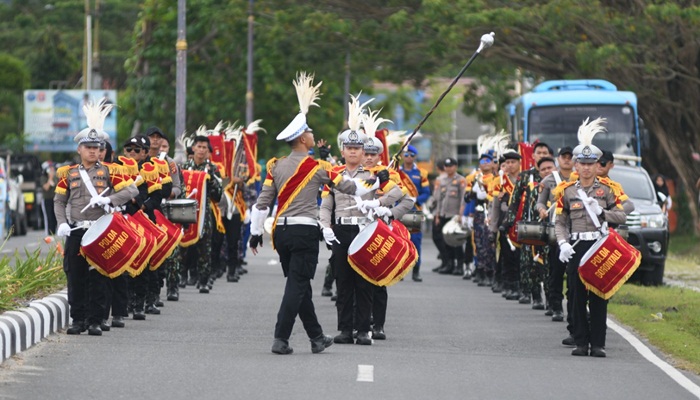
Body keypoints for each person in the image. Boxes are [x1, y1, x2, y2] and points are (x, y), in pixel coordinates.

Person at [249, 73, 390, 355]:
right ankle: (281, 338)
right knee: (297, 286)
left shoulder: (275, 166)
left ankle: (316, 337)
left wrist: (254, 234)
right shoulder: (317, 168)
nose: (313, 135)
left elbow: (262, 203)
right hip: (303, 232)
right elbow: (351, 188)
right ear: (303, 138)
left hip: (281, 233)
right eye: (310, 132)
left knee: (299, 286)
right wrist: (377, 181)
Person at [320, 98, 404, 346]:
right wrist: (324, 226)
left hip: (366, 229)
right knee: (343, 282)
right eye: (350, 148)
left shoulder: (375, 174)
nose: (355, 152)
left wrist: (378, 203)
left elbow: (399, 194)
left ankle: (364, 330)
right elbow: (327, 204)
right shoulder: (334, 175)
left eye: (358, 148)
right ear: (343, 150)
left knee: (365, 281)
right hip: (341, 229)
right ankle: (345, 330)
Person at [54, 100, 138, 336]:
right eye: (88, 146)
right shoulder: (68, 173)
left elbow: (132, 191)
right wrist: (61, 222)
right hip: (77, 229)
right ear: (79, 149)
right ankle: (78, 319)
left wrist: (109, 200)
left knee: (99, 276)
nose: (93, 150)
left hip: (100, 228)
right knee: (75, 275)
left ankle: (95, 320)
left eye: (96, 146)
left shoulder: (110, 171)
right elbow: (59, 200)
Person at [554, 118, 627, 358]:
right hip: (576, 246)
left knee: (598, 295)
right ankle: (580, 342)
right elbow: (560, 221)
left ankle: (598, 343)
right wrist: (562, 243)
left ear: (598, 165)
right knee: (576, 295)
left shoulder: (607, 190)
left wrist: (602, 212)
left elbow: (621, 216)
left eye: (591, 163)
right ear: (575, 165)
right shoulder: (566, 191)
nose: (586, 168)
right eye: (582, 163)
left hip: (599, 245)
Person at [502, 142, 553, 307]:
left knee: (546, 264)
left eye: (545, 152)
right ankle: (532, 294)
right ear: (533, 155)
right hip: (529, 226)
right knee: (527, 262)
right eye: (539, 152)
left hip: (549, 227)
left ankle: (552, 299)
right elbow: (514, 202)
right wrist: (508, 222)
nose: (542, 155)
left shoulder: (555, 177)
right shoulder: (525, 176)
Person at [536, 146, 575, 322]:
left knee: (576, 272)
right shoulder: (549, 180)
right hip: (557, 231)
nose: (567, 160)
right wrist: (542, 210)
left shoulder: (581, 179)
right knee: (556, 270)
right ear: (558, 159)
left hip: (577, 231)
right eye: (564, 157)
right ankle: (556, 306)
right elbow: (540, 203)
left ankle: (575, 307)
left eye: (570, 157)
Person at [182, 135, 223, 293]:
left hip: (204, 214)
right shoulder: (185, 167)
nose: (201, 150)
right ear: (193, 148)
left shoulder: (213, 169)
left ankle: (204, 280)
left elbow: (218, 195)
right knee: (184, 246)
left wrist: (211, 179)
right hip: (186, 213)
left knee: (205, 248)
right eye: (198, 146)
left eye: (204, 147)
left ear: (208, 151)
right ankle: (183, 276)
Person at [489, 146, 521, 299]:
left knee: (520, 257)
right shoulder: (500, 182)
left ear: (519, 163)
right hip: (505, 224)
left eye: (513, 162)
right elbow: (495, 207)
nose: (510, 165)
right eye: (507, 162)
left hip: (521, 223)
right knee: (506, 256)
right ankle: (509, 285)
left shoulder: (525, 180)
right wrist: (493, 229)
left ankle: (521, 286)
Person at [399, 145, 431, 282]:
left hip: (414, 210)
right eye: (406, 155)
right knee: (399, 242)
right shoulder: (396, 171)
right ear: (402, 156)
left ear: (415, 157)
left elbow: (426, 193)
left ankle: (416, 271)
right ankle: (398, 271)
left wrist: (416, 199)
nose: (408, 157)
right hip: (398, 210)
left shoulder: (421, 173)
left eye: (411, 155)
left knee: (415, 241)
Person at [433, 157, 467, 275]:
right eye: (446, 166)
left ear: (455, 167)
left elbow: (463, 198)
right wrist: (437, 215)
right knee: (445, 241)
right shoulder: (443, 180)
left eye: (451, 166)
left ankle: (460, 266)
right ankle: (449, 264)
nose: (448, 168)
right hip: (443, 213)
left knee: (456, 241)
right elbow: (439, 200)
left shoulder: (460, 180)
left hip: (454, 215)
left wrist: (461, 214)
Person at [40, 161, 58, 235]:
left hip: (55, 199)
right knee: (49, 217)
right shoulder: (43, 178)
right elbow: (46, 187)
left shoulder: (56, 177)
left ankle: (55, 232)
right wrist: (50, 178)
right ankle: (49, 233)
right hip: (47, 199)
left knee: (55, 216)